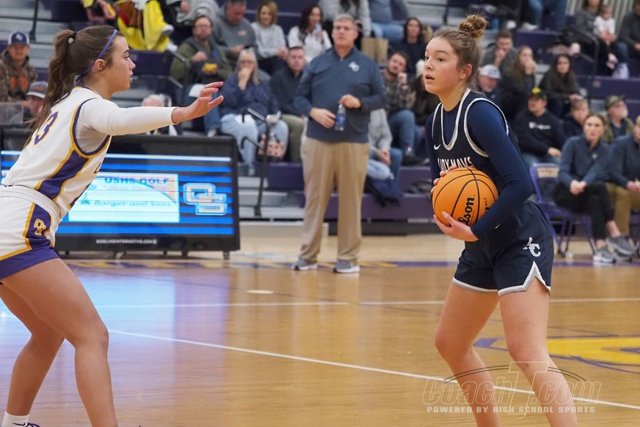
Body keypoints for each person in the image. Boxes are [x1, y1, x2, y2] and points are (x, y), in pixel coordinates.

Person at [0, 25, 223, 427]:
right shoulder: (89, 105)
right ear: (100, 66)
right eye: (126, 56)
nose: (133, 64)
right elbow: (122, 119)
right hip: (19, 227)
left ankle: (13, 424)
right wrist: (182, 113)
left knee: (49, 333)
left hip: (9, 221)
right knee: (92, 335)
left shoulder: (69, 101)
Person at [423, 15, 578, 425]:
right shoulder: (434, 121)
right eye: (427, 57)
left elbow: (520, 184)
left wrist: (474, 228)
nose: (429, 65)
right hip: (482, 241)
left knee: (526, 349)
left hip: (519, 236)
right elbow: (442, 185)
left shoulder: (480, 114)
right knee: (450, 343)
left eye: (440, 58)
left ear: (464, 70)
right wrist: (444, 213)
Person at [292, 14, 385, 274]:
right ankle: (307, 256)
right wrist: (313, 112)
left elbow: (381, 98)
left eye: (346, 28)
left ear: (356, 33)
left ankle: (348, 258)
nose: (341, 31)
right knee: (314, 200)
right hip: (318, 141)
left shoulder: (367, 65)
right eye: (338, 28)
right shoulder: (317, 62)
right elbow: (299, 98)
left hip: (353, 142)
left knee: (351, 202)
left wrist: (360, 103)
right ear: (332, 33)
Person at [553, 113, 636, 262]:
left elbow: (595, 171)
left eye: (597, 125)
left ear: (603, 129)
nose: (592, 128)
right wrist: (573, 183)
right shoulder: (572, 143)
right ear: (584, 127)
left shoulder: (605, 149)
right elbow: (562, 171)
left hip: (586, 192)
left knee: (595, 201)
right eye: (589, 124)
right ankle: (613, 231)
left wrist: (583, 184)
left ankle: (600, 247)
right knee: (600, 187)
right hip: (566, 192)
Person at [219, 48, 288, 175]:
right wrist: (242, 83)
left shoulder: (263, 82)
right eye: (243, 62)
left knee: (281, 127)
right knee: (249, 127)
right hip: (234, 118)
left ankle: (274, 165)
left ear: (255, 65)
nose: (246, 65)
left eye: (249, 62)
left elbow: (273, 102)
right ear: (238, 64)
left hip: (260, 121)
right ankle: (249, 166)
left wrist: (275, 116)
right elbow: (230, 102)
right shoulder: (231, 80)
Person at [169, 15, 232, 135]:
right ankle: (213, 130)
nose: (203, 29)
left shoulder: (216, 49)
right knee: (209, 92)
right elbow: (175, 72)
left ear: (211, 30)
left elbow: (229, 72)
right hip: (188, 89)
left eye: (206, 26)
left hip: (214, 87)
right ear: (194, 30)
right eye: (200, 26)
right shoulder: (187, 47)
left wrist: (217, 71)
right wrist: (192, 60)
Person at [607, 116, 640, 246]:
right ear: (635, 128)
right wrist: (628, 183)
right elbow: (613, 172)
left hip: (637, 189)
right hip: (616, 185)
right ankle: (621, 239)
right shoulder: (621, 144)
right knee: (623, 193)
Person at [269, 46, 306, 162]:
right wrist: (300, 114)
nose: (297, 60)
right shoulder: (278, 77)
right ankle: (296, 161)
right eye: (293, 57)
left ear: (304, 60)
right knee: (299, 124)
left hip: (304, 113)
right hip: (282, 114)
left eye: (300, 57)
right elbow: (280, 104)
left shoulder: (307, 78)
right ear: (287, 59)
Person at [513, 87, 566, 167]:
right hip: (529, 153)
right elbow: (525, 140)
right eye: (530, 99)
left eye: (536, 100)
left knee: (558, 163)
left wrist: (563, 153)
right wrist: (547, 149)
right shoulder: (522, 117)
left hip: (548, 155)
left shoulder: (553, 120)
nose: (532, 102)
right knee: (533, 165)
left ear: (544, 103)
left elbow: (561, 139)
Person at [497, 45, 537, 122]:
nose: (527, 58)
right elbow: (522, 91)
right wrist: (528, 75)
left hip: (522, 106)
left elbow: (532, 90)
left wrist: (530, 75)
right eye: (524, 55)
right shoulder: (509, 72)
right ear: (518, 57)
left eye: (530, 56)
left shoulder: (530, 72)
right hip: (510, 106)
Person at [213, 0, 257, 68]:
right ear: (228, 9)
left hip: (246, 66)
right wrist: (229, 51)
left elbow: (255, 48)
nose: (239, 17)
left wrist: (247, 52)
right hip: (223, 66)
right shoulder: (214, 24)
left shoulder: (247, 25)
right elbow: (211, 52)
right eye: (236, 14)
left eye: (242, 14)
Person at [538, 53, 582, 118]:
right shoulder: (549, 75)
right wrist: (568, 97)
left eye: (565, 63)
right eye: (559, 63)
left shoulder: (571, 75)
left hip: (564, 101)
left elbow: (576, 92)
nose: (562, 66)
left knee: (579, 102)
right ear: (555, 65)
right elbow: (548, 94)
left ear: (569, 65)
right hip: (548, 102)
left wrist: (578, 97)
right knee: (557, 102)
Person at [251, 0, 288, 75]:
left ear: (273, 15)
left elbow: (282, 50)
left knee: (279, 61)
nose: (266, 16)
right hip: (259, 61)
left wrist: (282, 52)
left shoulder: (278, 29)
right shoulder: (253, 27)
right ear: (259, 14)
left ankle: (277, 81)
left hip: (275, 62)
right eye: (263, 13)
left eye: (269, 14)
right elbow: (259, 52)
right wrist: (276, 52)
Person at [0, 31, 37, 102]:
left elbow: (32, 96)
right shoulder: (1, 67)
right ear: (8, 48)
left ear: (28, 48)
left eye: (22, 47)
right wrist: (22, 104)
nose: (19, 51)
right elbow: (2, 99)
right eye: (15, 47)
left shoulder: (31, 70)